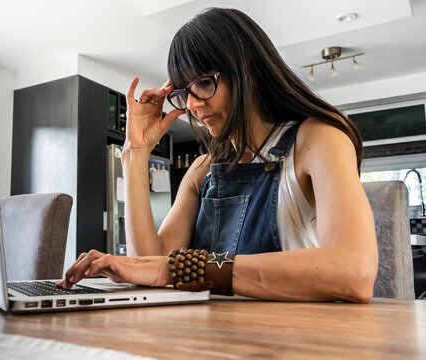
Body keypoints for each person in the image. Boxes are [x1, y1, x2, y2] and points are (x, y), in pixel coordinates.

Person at [56, 7, 378, 302]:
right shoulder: (203, 170)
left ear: (248, 71)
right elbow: (152, 263)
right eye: (185, 93)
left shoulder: (318, 139)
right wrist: (136, 153)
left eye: (205, 83)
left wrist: (189, 269)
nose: (194, 105)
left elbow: (354, 270)